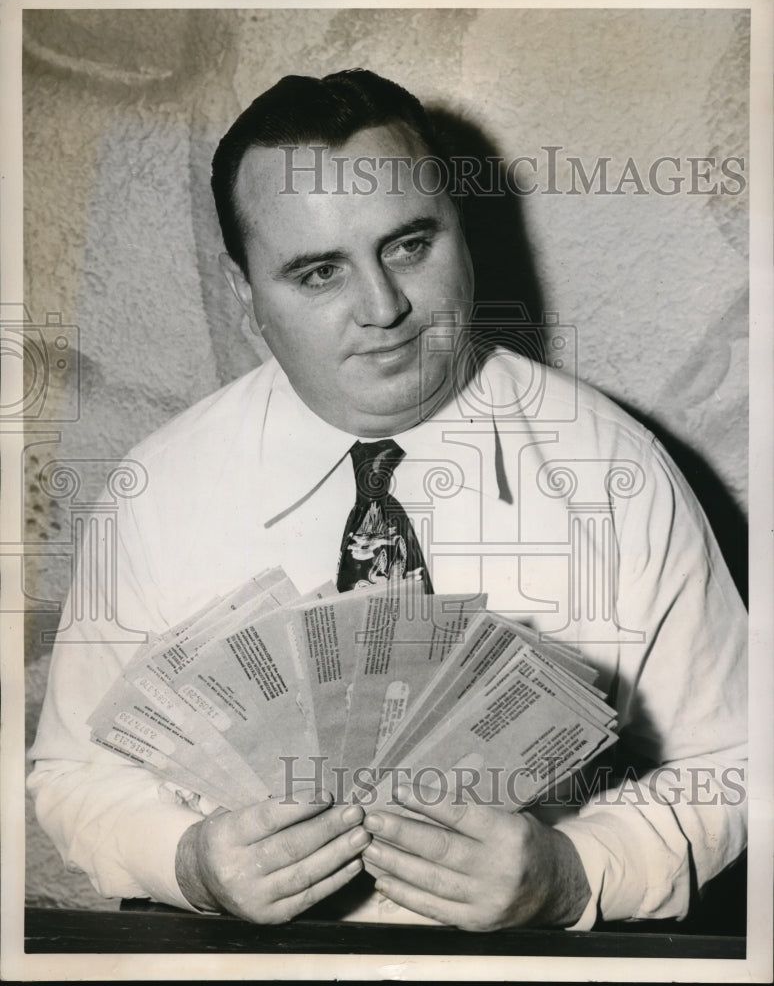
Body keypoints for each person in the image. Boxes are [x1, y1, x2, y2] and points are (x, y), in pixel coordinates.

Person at [28, 69, 747, 932]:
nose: (384, 309)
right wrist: (188, 863)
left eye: (410, 245)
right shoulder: (157, 490)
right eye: (318, 271)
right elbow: (71, 774)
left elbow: (738, 761)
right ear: (242, 291)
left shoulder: (617, 474)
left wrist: (575, 873)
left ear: (461, 230)